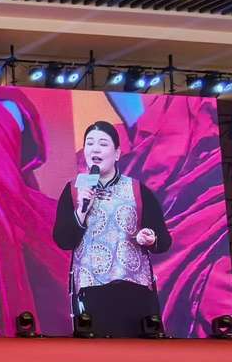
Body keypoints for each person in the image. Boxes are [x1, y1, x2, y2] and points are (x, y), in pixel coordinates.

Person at [52, 121, 171, 338]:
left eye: (103, 144)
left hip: (134, 290)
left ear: (117, 153)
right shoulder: (74, 190)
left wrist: (151, 238)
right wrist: (81, 211)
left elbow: (164, 240)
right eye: (90, 143)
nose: (95, 149)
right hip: (90, 290)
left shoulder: (136, 189)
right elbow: (63, 239)